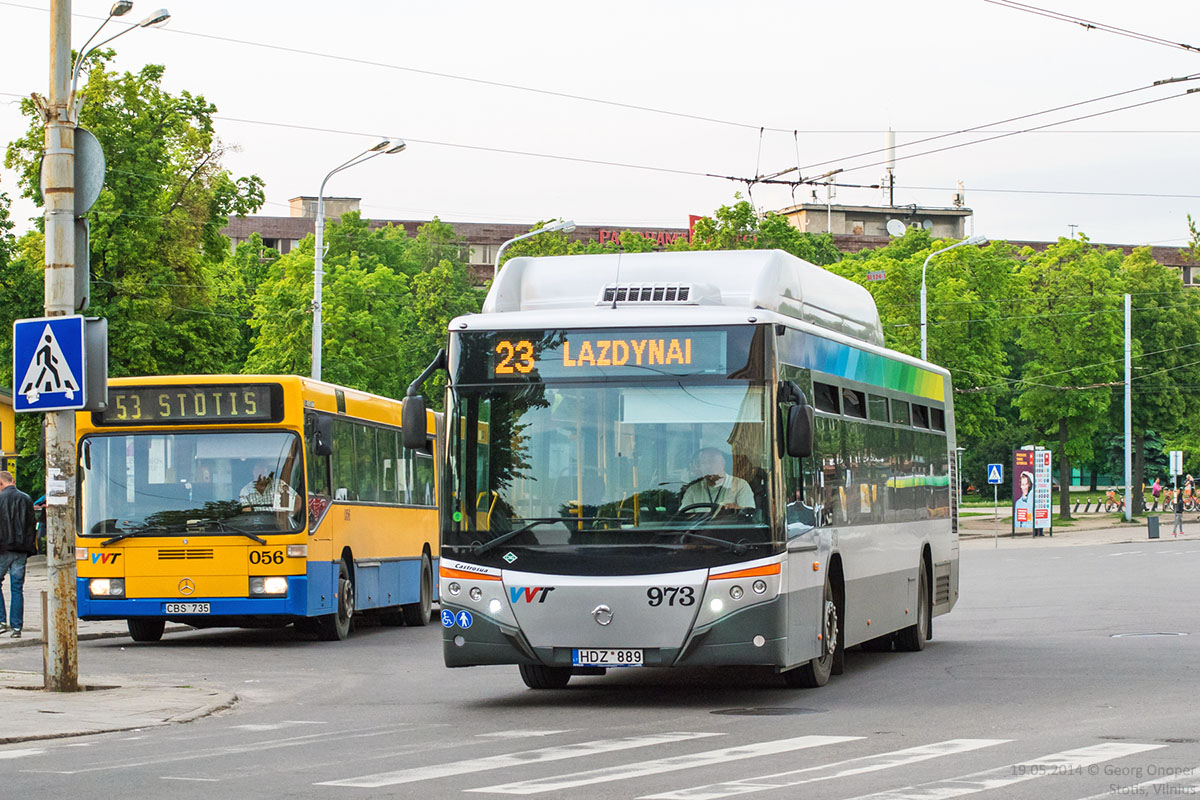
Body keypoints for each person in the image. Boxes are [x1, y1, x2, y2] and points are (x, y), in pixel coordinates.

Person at [0, 471, 38, 639]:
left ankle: (1, 621)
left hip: (3, 549)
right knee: (17, 588)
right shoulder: (26, 499)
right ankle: (16, 627)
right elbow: (32, 525)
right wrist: (30, 548)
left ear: (1, 484)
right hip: (21, 550)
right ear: (12, 481)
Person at [680, 448, 754, 513]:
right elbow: (684, 519)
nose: (708, 466)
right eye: (703, 463)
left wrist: (732, 509)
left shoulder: (740, 485)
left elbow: (747, 514)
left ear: (723, 463)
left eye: (712, 461)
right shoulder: (693, 490)